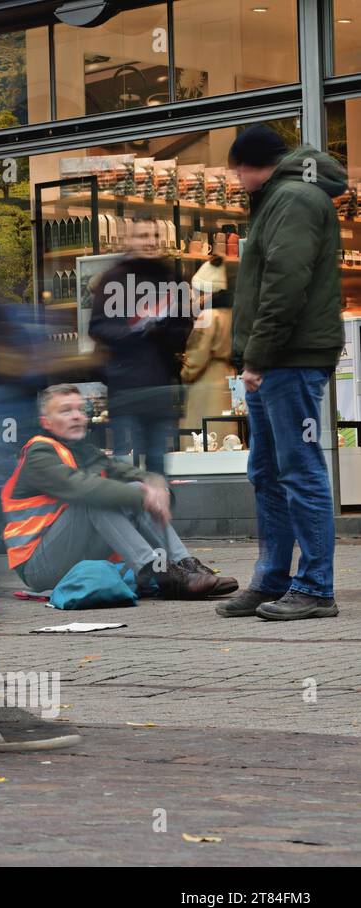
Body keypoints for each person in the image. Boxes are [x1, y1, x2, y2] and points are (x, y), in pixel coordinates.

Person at [220, 125, 345, 621]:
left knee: (298, 471)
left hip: (290, 358)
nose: (234, 177)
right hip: (278, 358)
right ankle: (272, 580)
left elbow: (284, 283)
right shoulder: (280, 197)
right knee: (268, 472)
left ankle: (315, 587)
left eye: (237, 167)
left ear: (256, 164)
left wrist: (257, 357)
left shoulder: (292, 199)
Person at [2, 384, 237, 599]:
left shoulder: (81, 449)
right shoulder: (38, 454)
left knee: (134, 487)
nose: (76, 416)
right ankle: (161, 574)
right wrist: (145, 497)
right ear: (46, 422)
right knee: (95, 499)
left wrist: (153, 483)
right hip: (38, 566)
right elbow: (83, 488)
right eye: (65, 411)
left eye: (80, 410)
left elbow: (122, 471)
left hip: (68, 550)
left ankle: (184, 564)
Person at [89, 219, 194, 472]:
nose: (150, 241)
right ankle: (129, 509)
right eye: (143, 235)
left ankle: (158, 509)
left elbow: (184, 328)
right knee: (126, 465)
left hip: (159, 385)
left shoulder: (170, 276)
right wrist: (136, 331)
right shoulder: (114, 278)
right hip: (126, 387)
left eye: (155, 235)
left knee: (158, 462)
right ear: (128, 240)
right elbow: (98, 327)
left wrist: (163, 329)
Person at [180, 258, 237, 441]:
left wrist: (184, 373)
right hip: (228, 376)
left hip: (207, 380)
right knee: (226, 432)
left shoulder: (208, 315)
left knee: (203, 434)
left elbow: (197, 354)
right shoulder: (232, 313)